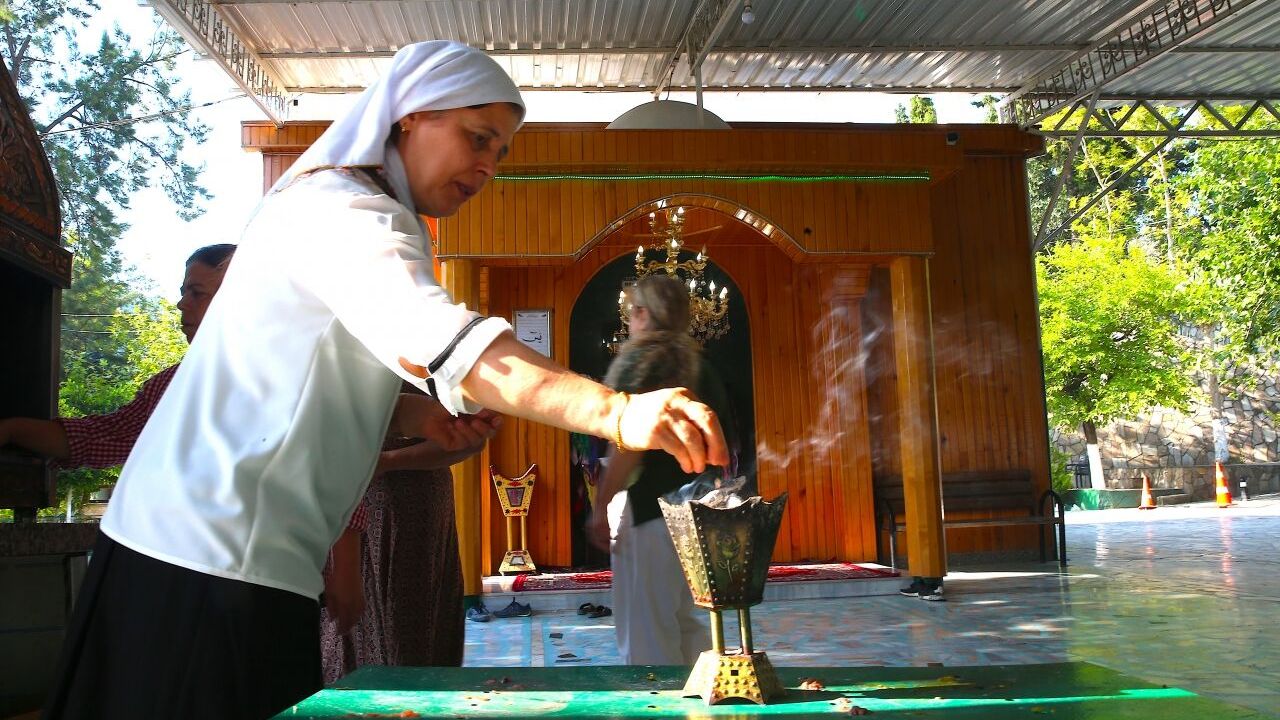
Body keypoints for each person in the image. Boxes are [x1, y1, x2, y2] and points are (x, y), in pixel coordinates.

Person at [44, 40, 726, 720]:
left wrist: (410, 415)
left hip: (228, 555)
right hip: (203, 556)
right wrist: (616, 412)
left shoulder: (359, 210)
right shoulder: (342, 210)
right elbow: (445, 338)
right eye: (477, 137)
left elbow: (303, 377)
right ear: (409, 116)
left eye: (500, 152)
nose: (488, 166)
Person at [587, 274, 735, 665]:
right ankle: (699, 694)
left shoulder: (641, 362)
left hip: (649, 512)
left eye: (633, 311)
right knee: (686, 620)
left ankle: (654, 698)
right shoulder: (703, 367)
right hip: (700, 512)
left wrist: (600, 508)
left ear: (642, 314)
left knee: (645, 631)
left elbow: (626, 448)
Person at [0, 243, 236, 469]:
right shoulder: (170, 385)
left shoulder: (259, 379)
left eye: (197, 293)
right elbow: (102, 435)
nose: (181, 304)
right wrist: (12, 430)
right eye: (184, 293)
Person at [320, 383, 491, 682]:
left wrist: (387, 462)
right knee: (348, 629)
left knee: (408, 631)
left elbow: (472, 439)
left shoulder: (432, 365)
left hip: (412, 509)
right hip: (357, 500)